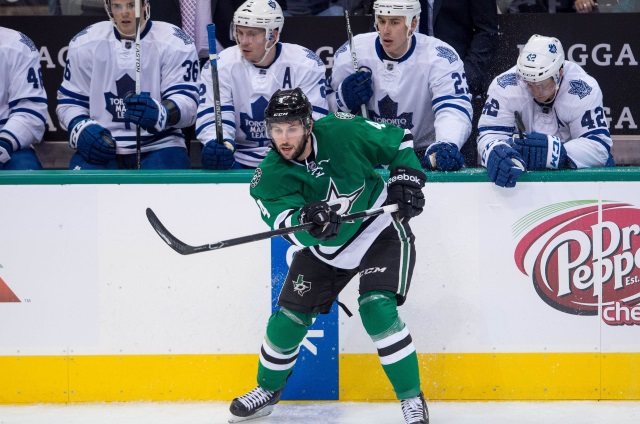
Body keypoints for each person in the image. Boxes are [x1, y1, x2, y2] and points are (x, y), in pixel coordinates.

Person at [230, 87, 428, 424]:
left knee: (377, 308)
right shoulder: (269, 175)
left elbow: (400, 140)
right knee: (286, 321)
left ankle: (412, 398)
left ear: (308, 124)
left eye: (291, 128)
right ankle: (267, 389)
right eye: (276, 130)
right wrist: (309, 224)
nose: (284, 138)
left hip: (378, 228)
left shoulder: (343, 130)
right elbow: (284, 224)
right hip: (324, 249)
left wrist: (406, 179)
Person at [328, 0, 472, 172]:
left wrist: (446, 142)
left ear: (413, 24)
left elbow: (453, 109)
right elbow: (326, 115)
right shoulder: (352, 52)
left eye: (394, 22)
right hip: (370, 157)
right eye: (381, 21)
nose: (385, 30)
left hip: (422, 155)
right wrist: (343, 99)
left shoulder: (440, 56)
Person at [56, 0, 200, 170]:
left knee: (166, 190)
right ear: (109, 9)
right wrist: (81, 128)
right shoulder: (84, 43)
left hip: (159, 145)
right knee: (81, 191)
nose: (124, 12)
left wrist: (163, 113)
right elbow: (69, 102)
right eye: (117, 6)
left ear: (145, 6)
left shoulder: (175, 41)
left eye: (132, 5)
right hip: (103, 144)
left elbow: (188, 102)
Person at [195, 0, 329, 170]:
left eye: (251, 34)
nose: (243, 41)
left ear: (272, 35)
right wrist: (220, 145)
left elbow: (314, 120)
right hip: (237, 156)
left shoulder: (304, 63)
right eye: (240, 32)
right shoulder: (220, 65)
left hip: (290, 157)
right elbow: (216, 116)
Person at [477, 34, 614, 188]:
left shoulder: (584, 89)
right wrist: (495, 152)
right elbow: (489, 135)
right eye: (529, 84)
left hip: (575, 170)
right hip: (524, 169)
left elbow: (599, 148)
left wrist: (556, 153)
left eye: (542, 85)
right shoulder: (504, 86)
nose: (536, 92)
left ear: (559, 73)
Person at [418, 0, 499, 167]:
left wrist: (467, 74)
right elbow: (380, 22)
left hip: (457, 81)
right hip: (408, 79)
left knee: (453, 161)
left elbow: (487, 30)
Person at [0, 26, 47, 170]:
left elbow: (30, 111)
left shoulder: (16, 44)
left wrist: (4, 144)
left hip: (5, 140)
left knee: (26, 170)